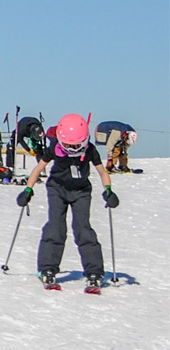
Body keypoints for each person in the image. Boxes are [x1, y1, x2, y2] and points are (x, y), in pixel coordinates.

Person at [18, 113, 117, 291]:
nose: (73, 149)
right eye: (70, 146)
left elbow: (102, 172)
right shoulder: (55, 147)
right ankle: (47, 268)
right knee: (55, 227)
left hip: (81, 191)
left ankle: (94, 272)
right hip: (57, 189)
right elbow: (39, 168)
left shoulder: (90, 150)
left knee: (83, 228)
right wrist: (28, 189)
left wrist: (108, 190)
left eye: (77, 145)